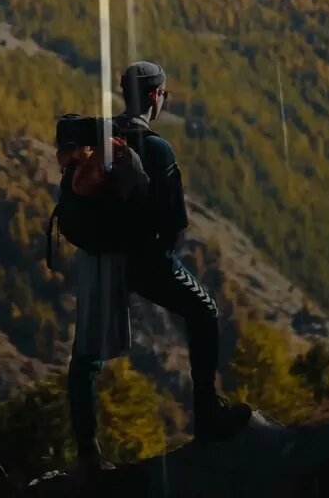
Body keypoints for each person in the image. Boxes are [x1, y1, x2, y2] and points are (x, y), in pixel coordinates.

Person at [67, 61, 252, 477]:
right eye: (163, 94)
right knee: (203, 312)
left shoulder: (99, 138)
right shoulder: (156, 147)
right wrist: (159, 256)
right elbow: (174, 222)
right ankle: (207, 416)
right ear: (155, 96)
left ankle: (87, 452)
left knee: (86, 358)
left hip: (98, 258)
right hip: (144, 259)